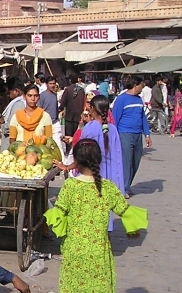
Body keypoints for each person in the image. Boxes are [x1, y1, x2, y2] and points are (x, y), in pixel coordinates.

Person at [45, 139, 147, 293]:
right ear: (99, 161)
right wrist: (134, 229)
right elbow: (127, 213)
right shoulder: (108, 188)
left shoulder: (69, 188)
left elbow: (57, 216)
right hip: (98, 256)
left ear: (76, 163)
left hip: (73, 253)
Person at [58, 95, 124, 230]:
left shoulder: (90, 128)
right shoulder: (113, 129)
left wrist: (67, 167)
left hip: (91, 177)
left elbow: (81, 154)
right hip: (109, 178)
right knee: (104, 214)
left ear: (92, 109)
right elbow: (118, 158)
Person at [111, 75, 151, 197]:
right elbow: (115, 118)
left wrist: (147, 134)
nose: (142, 88)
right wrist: (114, 136)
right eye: (141, 85)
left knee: (135, 161)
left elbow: (142, 117)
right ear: (135, 85)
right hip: (125, 133)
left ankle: (127, 184)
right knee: (126, 162)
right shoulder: (121, 99)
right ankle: (123, 188)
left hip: (137, 134)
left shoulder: (139, 100)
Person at [0, 77, 26, 146]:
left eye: (9, 93)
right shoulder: (21, 102)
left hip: (13, 144)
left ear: (16, 91)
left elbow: (10, 127)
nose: (8, 95)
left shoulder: (19, 104)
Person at [59, 74, 86, 147]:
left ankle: (68, 152)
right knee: (77, 136)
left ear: (70, 80)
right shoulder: (81, 90)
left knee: (68, 136)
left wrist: (60, 109)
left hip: (69, 117)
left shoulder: (67, 89)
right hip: (78, 116)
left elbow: (63, 102)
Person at [39, 76, 63, 150]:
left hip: (55, 123)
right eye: (50, 83)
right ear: (46, 84)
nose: (52, 85)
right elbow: (39, 109)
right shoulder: (42, 96)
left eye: (53, 83)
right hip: (45, 123)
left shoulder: (55, 95)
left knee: (58, 144)